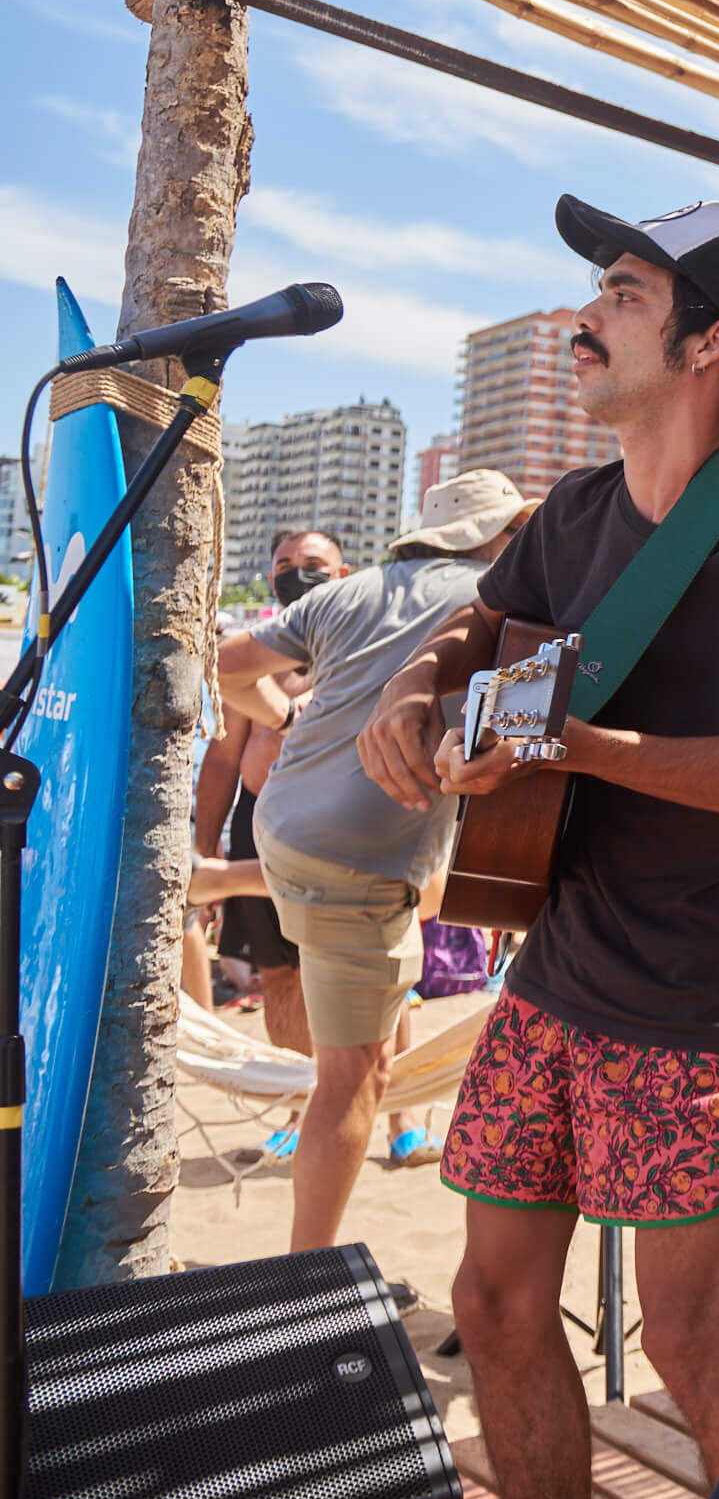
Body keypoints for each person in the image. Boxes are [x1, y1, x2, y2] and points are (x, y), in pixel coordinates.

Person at [355, 197, 719, 1499]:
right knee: (489, 1299)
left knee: (695, 1343)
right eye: (596, 289)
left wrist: (593, 751)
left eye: (626, 295)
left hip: (698, 1005)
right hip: (555, 975)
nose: (586, 317)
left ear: (715, 346)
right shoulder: (573, 511)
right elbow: (477, 632)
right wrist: (409, 696)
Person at [214, 476, 531, 1250]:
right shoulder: (499, 602)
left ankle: (217, 879)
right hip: (359, 858)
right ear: (494, 535)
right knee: (356, 1077)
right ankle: (306, 1274)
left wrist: (288, 714)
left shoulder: (350, 591)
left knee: (394, 941)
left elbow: (224, 664)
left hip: (281, 828)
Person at [196, 527, 451, 1167]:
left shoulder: (373, 646)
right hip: (264, 820)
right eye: (284, 563)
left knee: (384, 980)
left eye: (311, 563)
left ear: (344, 575)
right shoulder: (265, 662)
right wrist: (203, 851)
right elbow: (222, 763)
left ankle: (404, 1121)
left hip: (354, 827)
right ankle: (299, 1108)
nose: (295, 573)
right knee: (281, 979)